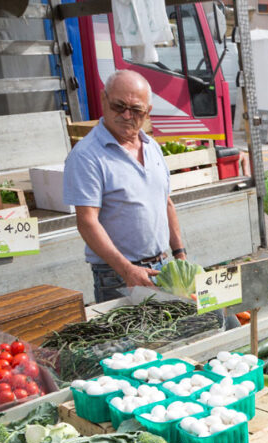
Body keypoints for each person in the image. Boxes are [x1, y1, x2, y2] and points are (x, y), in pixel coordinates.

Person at [63, 70, 186, 304]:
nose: (127, 115)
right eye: (119, 106)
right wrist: (126, 269)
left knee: (169, 336)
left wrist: (179, 253)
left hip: (162, 266)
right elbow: (87, 222)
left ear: (148, 112)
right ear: (103, 99)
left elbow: (165, 202)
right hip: (117, 275)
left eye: (136, 110)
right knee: (131, 340)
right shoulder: (87, 156)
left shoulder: (152, 147)